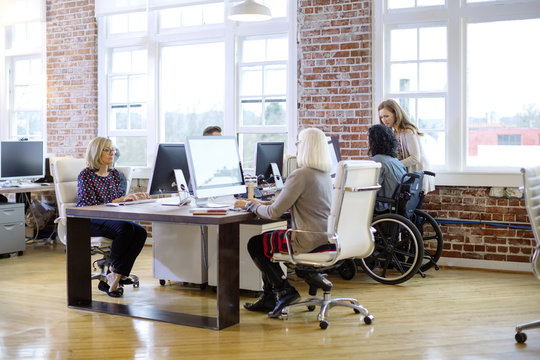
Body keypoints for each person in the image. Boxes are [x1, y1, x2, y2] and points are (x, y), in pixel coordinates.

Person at [234, 128, 333, 318]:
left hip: (305, 240)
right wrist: (260, 202)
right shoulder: (324, 175)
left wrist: (250, 206)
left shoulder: (301, 174)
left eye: (298, 143)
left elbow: (273, 213)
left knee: (256, 244)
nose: (296, 147)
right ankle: (269, 298)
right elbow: (286, 203)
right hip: (325, 238)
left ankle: (284, 290)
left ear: (305, 147)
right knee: (266, 242)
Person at [76, 137, 148, 297]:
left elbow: (116, 203)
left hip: (110, 218)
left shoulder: (115, 175)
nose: (112, 153)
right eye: (107, 150)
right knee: (126, 228)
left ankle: (116, 275)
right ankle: (114, 273)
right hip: (88, 219)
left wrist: (129, 199)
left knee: (141, 231)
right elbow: (91, 205)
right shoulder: (86, 175)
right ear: (96, 153)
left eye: (112, 149)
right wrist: (120, 200)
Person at [378, 99, 435, 194]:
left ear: (396, 114)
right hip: (407, 175)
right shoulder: (394, 132)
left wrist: (395, 165)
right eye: (381, 117)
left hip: (416, 173)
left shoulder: (408, 132)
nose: (383, 120)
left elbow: (415, 158)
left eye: (386, 116)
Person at [368, 124, 407, 212]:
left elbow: (372, 187)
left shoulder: (378, 160)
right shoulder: (394, 160)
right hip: (395, 204)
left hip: (383, 206)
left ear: (374, 141)